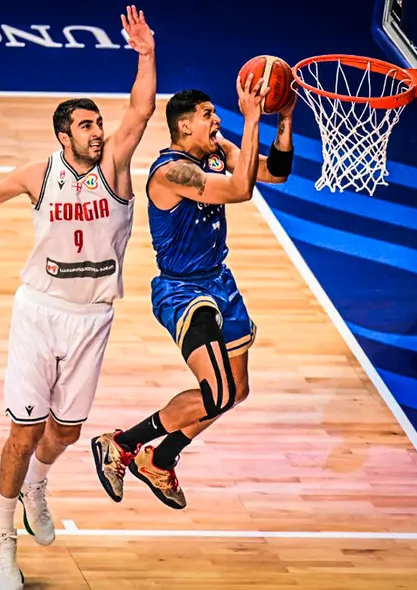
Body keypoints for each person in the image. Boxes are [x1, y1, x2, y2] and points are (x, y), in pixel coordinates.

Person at [0, 7, 156, 589]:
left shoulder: (116, 165)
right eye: (86, 125)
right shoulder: (39, 173)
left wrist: (146, 54)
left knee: (66, 434)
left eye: (98, 123)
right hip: (39, 311)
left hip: (94, 317)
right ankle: (3, 539)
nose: (98, 131)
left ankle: (38, 483)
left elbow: (142, 109)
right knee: (23, 433)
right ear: (64, 135)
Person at [90, 76, 294, 510]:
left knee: (235, 391)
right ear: (184, 127)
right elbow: (240, 191)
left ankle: (159, 460)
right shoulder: (171, 171)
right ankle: (121, 443)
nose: (217, 120)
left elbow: (273, 172)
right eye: (208, 116)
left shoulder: (219, 153)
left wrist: (284, 120)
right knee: (215, 393)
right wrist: (252, 116)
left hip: (221, 282)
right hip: (183, 291)